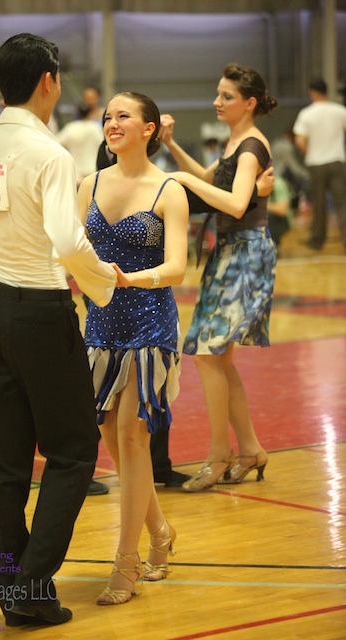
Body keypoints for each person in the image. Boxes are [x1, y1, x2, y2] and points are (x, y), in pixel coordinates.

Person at [0, 32, 117, 627]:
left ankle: (13, 593)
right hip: (39, 311)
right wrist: (105, 282)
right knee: (74, 452)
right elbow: (66, 241)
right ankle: (32, 586)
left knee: (3, 462)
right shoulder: (49, 153)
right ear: (48, 81)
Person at [77, 91, 189, 604]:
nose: (112, 122)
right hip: (99, 326)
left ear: (149, 128)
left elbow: (177, 269)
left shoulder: (168, 190)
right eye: (108, 116)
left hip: (150, 324)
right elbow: (71, 249)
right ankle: (161, 530)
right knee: (110, 434)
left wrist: (130, 279)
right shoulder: (88, 183)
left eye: (124, 115)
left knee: (133, 435)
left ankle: (126, 563)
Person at [159, 63, 277, 491]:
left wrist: (186, 178)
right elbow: (208, 181)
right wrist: (172, 146)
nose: (216, 101)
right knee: (217, 357)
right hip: (230, 251)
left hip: (245, 252)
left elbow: (233, 202)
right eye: (217, 94)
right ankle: (248, 450)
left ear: (249, 103)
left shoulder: (250, 147)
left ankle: (218, 456)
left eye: (226, 96)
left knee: (208, 355)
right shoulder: (235, 144)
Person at [293, 78, 346, 250]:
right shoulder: (340, 110)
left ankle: (317, 240)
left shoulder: (306, 114)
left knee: (319, 203)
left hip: (316, 163)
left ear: (312, 92)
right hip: (337, 161)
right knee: (342, 203)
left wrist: (310, 154)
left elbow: (300, 140)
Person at [56, 104, 103, 186]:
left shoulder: (70, 128)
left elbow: (56, 143)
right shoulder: (95, 127)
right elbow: (103, 143)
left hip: (75, 172)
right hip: (92, 170)